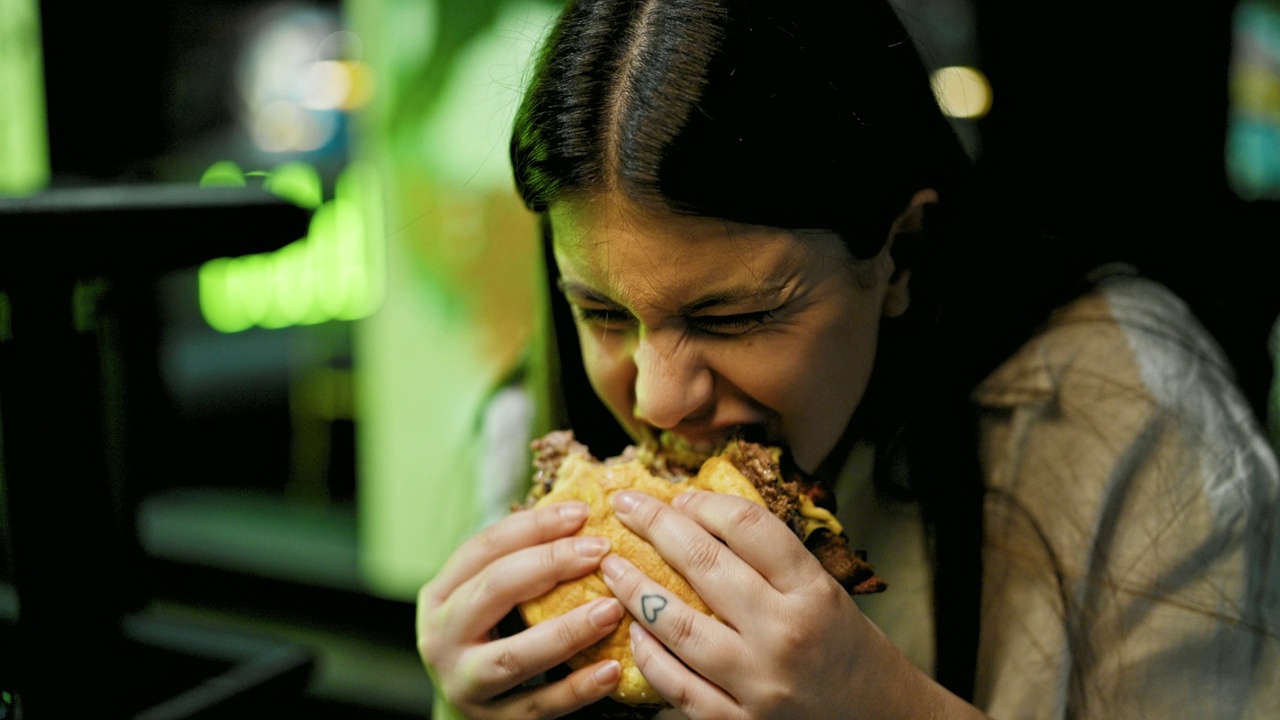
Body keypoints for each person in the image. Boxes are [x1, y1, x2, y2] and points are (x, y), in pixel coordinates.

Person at [415, 0, 1280, 718]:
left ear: (899, 255)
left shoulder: (1122, 410)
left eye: (736, 315)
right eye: (601, 310)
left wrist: (885, 704)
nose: (658, 397)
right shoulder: (530, 433)